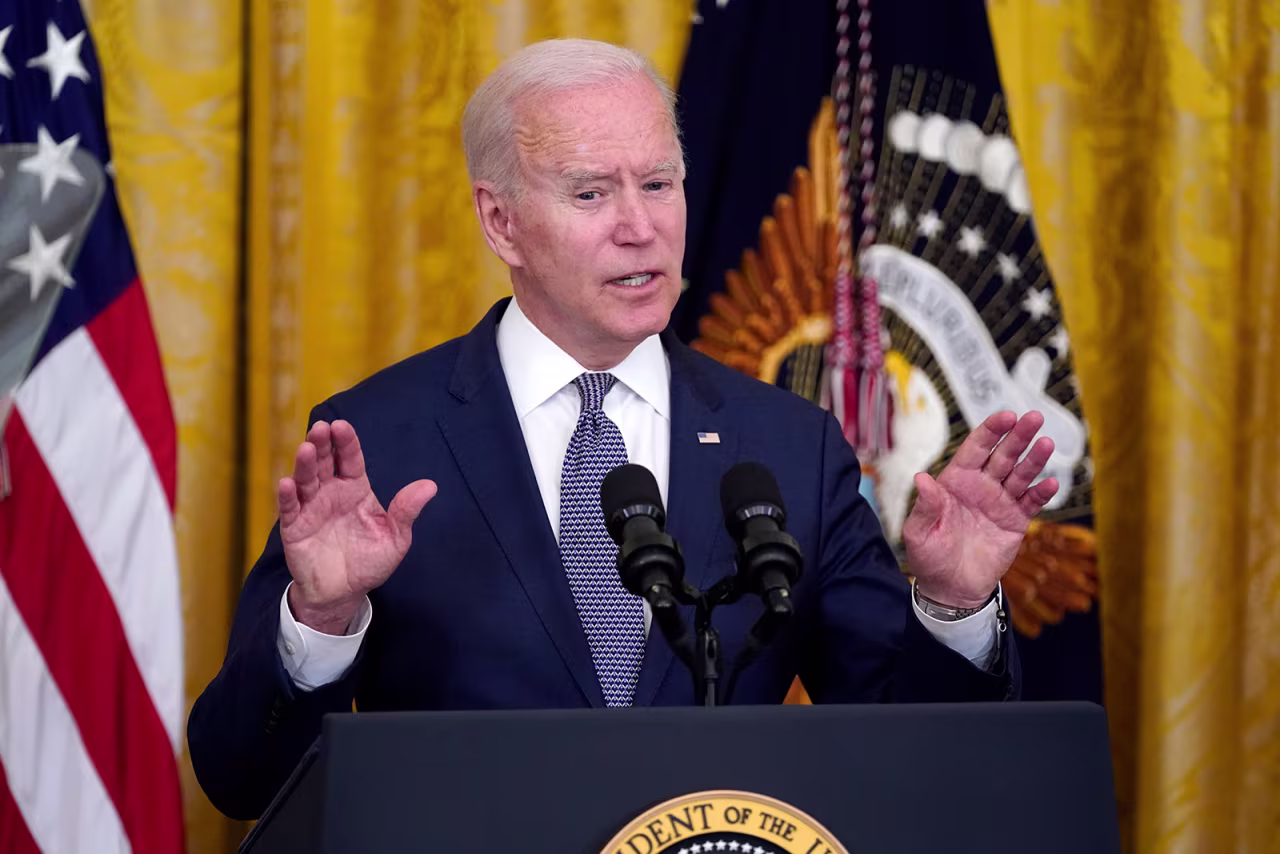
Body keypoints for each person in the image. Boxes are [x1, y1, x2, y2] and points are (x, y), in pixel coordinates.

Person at [188, 38, 1059, 821]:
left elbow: (903, 755)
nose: (639, 227)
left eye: (657, 184)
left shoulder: (791, 449)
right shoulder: (381, 440)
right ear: (502, 222)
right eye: (591, 192)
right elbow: (241, 778)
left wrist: (950, 605)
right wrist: (322, 617)